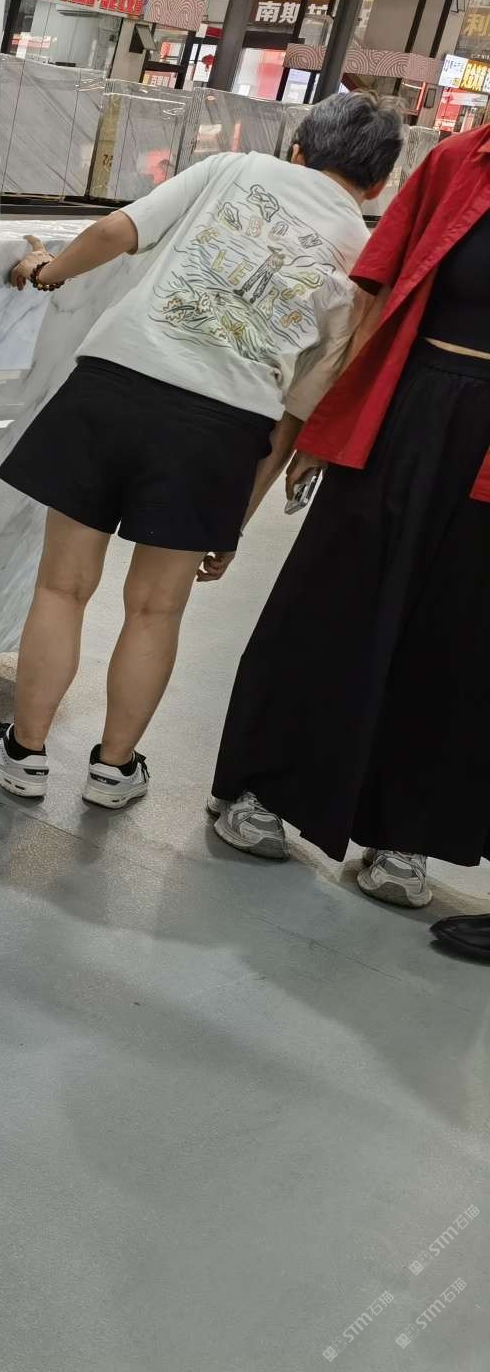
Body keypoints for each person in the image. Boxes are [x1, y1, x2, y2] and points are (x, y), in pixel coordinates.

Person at [0, 92, 403, 810]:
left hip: (118, 383)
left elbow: (116, 230)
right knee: (156, 610)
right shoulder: (365, 259)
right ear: (380, 184)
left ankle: (24, 753)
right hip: (223, 427)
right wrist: (236, 520)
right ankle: (114, 770)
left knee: (63, 587)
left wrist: (48, 271)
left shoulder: (235, 168)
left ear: (297, 148)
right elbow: (296, 414)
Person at [211, 118, 490, 925]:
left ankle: (406, 835)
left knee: (458, 637)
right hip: (406, 406)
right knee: (334, 597)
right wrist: (328, 419)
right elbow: (374, 294)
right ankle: (265, 786)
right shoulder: (458, 161)